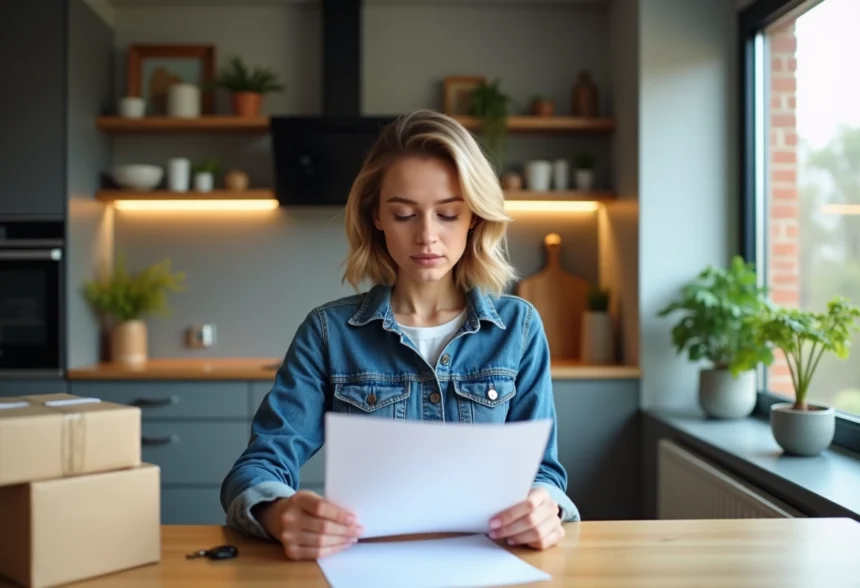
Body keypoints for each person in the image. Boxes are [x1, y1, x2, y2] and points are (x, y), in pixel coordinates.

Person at [220, 109, 580, 561]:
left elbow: (544, 472)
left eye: (448, 213)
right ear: (377, 217)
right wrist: (278, 512)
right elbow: (257, 467)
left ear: (474, 217)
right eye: (405, 214)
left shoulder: (519, 328)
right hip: (365, 566)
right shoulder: (328, 334)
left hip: (488, 567)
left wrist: (546, 508)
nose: (427, 236)